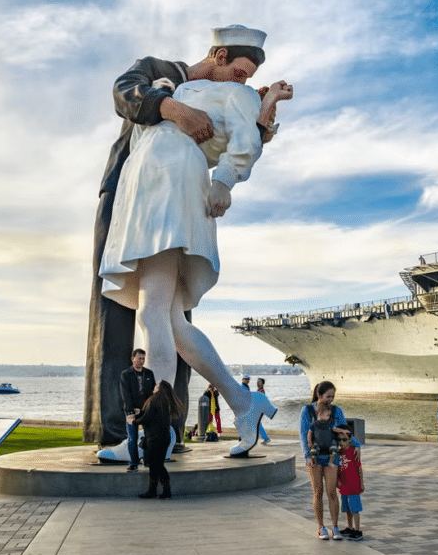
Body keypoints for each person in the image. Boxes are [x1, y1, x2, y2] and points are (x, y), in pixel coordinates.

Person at [97, 26, 293, 457]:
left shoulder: (235, 95)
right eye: (239, 72)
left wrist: (224, 179)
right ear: (219, 55)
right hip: (145, 191)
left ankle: (157, 435)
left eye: (247, 77)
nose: (242, 81)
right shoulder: (179, 86)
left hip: (173, 188)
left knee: (153, 311)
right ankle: (244, 402)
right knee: (172, 321)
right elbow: (130, 98)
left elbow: (244, 142)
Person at [300, 381, 355, 540]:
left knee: (332, 492)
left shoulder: (337, 410)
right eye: (328, 396)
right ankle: (321, 527)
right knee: (318, 491)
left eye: (333, 396)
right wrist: (308, 456)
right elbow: (304, 435)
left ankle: (335, 527)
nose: (331, 399)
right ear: (319, 394)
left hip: (332, 456)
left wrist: (354, 446)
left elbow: (345, 432)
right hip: (315, 458)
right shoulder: (307, 410)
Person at [129, 380, 185, 499]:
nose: (154, 387)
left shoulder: (155, 400)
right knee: (156, 465)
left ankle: (164, 491)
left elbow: (147, 418)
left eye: (156, 386)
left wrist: (134, 421)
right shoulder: (165, 402)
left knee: (156, 465)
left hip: (154, 439)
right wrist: (141, 414)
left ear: (160, 389)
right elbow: (152, 416)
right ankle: (154, 491)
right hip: (163, 437)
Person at [120, 349, 157, 471]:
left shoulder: (149, 373)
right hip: (132, 412)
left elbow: (153, 393)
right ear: (133, 359)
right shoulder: (126, 374)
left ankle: (147, 460)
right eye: (139, 358)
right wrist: (130, 412)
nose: (141, 361)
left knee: (149, 436)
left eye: (143, 358)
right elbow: (126, 395)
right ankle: (134, 463)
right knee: (132, 438)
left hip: (146, 411)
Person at [336, 424, 365, 541]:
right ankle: (350, 527)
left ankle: (358, 530)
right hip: (344, 486)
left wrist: (361, 483)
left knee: (355, 508)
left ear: (350, 440)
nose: (342, 442)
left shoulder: (354, 452)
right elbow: (337, 469)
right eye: (339, 440)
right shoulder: (338, 453)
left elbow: (359, 468)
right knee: (347, 508)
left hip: (353, 485)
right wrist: (337, 480)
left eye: (344, 440)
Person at [255, 377, 271, 444]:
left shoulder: (261, 391)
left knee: (258, 424)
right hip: (259, 409)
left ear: (262, 384)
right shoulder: (259, 390)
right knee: (257, 424)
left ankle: (266, 438)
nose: (258, 383)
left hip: (259, 410)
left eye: (259, 382)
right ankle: (264, 437)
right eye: (257, 381)